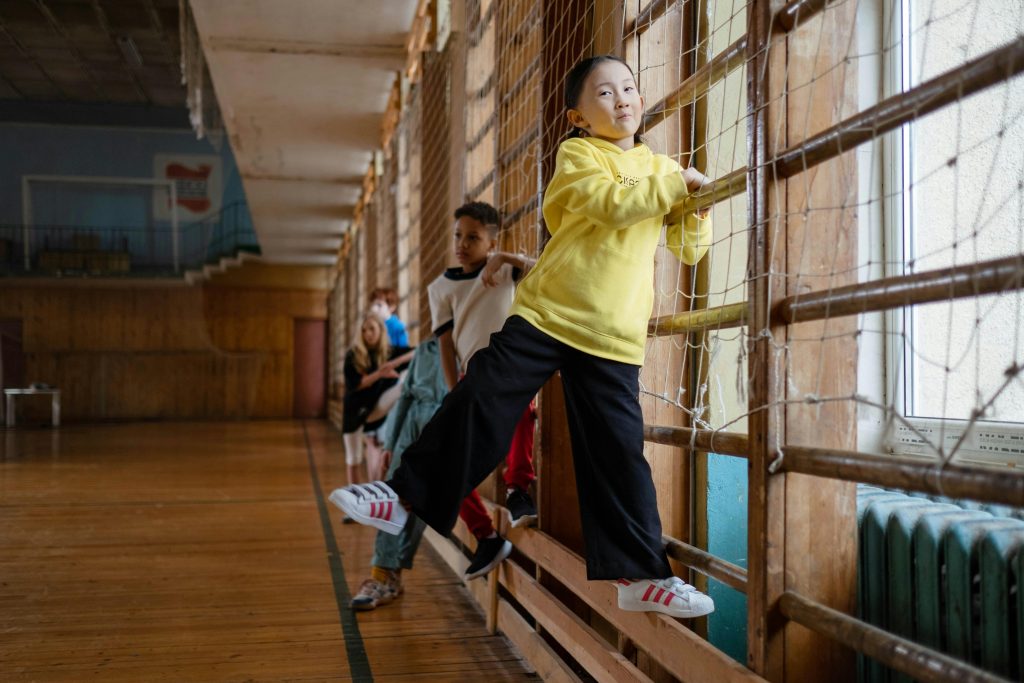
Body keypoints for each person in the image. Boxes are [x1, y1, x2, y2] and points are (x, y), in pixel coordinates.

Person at [331, 54, 714, 619]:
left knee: (619, 452)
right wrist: (675, 186)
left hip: (613, 336)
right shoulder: (578, 156)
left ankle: (640, 575)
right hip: (550, 314)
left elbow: (688, 248)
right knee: (484, 395)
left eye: (629, 87)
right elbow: (610, 206)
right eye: (604, 94)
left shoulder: (662, 170)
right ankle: (403, 495)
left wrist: (696, 205)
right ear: (579, 118)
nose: (623, 98)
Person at [428, 201, 538, 580]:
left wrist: (504, 256)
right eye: (458, 236)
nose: (461, 243)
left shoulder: (506, 269)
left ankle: (519, 489)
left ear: (492, 240)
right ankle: (486, 537)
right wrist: (451, 391)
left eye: (473, 237)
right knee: (444, 466)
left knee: (524, 410)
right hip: (470, 380)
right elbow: (445, 343)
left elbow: (545, 272)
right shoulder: (440, 288)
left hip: (511, 372)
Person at [348, 337, 447, 610]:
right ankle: (380, 574)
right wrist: (390, 443)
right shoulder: (426, 349)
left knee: (419, 504)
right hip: (411, 423)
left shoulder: (470, 345)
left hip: (442, 424)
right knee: (393, 496)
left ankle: (394, 573)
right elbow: (404, 396)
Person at [341, 314, 414, 488]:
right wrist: (381, 373)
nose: (368, 333)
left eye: (372, 329)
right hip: (354, 412)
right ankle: (354, 501)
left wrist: (395, 363)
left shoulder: (389, 351)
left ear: (381, 330)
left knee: (404, 385)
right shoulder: (353, 355)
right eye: (364, 330)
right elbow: (355, 384)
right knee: (353, 458)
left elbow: (417, 352)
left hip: (375, 410)